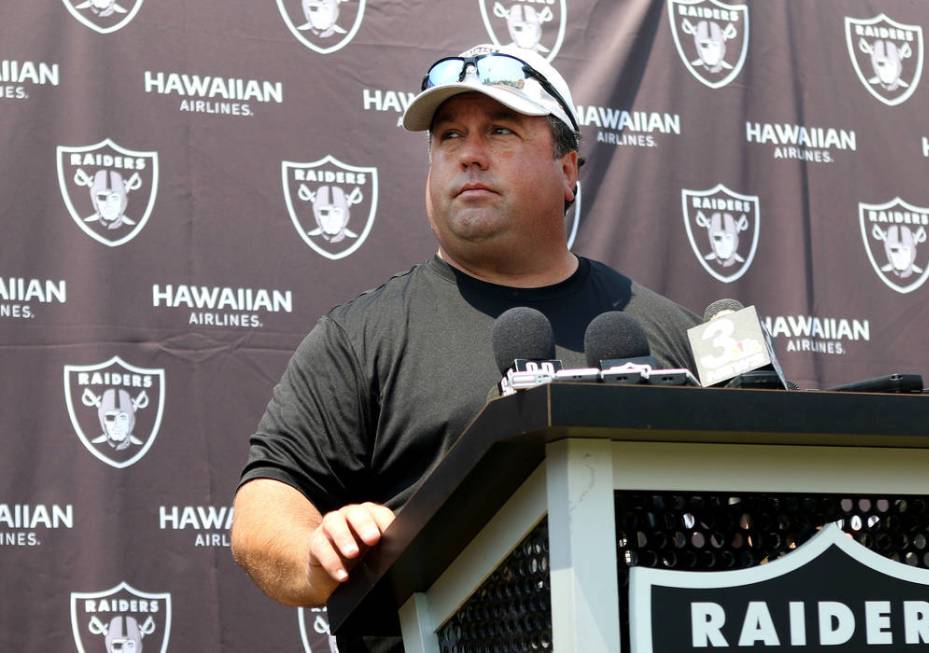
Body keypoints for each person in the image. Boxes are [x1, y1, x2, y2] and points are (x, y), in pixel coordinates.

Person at [231, 43, 700, 651]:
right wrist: (317, 550)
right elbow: (263, 509)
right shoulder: (360, 338)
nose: (470, 155)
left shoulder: (673, 333)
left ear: (567, 170)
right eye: (449, 137)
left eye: (500, 131)